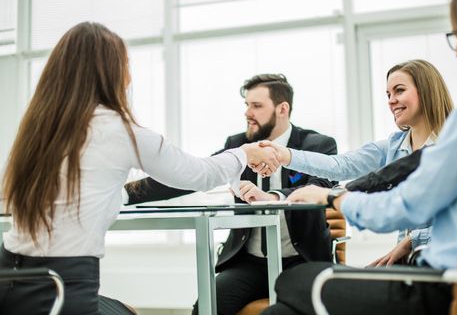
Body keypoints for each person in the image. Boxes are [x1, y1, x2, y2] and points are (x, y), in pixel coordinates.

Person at [261, 0, 457, 315]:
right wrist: (286, 155)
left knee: (291, 282)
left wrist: (332, 197)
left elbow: (406, 208)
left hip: (438, 287)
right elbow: (344, 165)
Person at [0, 22, 278, 315]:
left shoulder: (39, 129)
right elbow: (201, 174)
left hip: (10, 281)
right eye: (126, 65)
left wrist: (116, 196)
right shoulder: (119, 130)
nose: (129, 76)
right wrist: (244, 153)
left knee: (126, 309)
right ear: (109, 72)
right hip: (61, 289)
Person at [126, 74, 338, 315]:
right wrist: (124, 194)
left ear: (282, 109)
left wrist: (273, 196)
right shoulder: (238, 145)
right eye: (247, 105)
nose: (248, 113)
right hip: (250, 263)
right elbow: (189, 177)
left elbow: (321, 187)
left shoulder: (317, 145)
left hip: (301, 260)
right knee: (208, 307)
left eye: (257, 106)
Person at [261, 59, 454, 266]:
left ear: (426, 91)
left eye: (399, 91)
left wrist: (414, 240)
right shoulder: (393, 147)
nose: (391, 100)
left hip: (443, 262)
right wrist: (285, 155)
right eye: (388, 95)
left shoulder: (453, 148)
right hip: (405, 262)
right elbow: (340, 166)